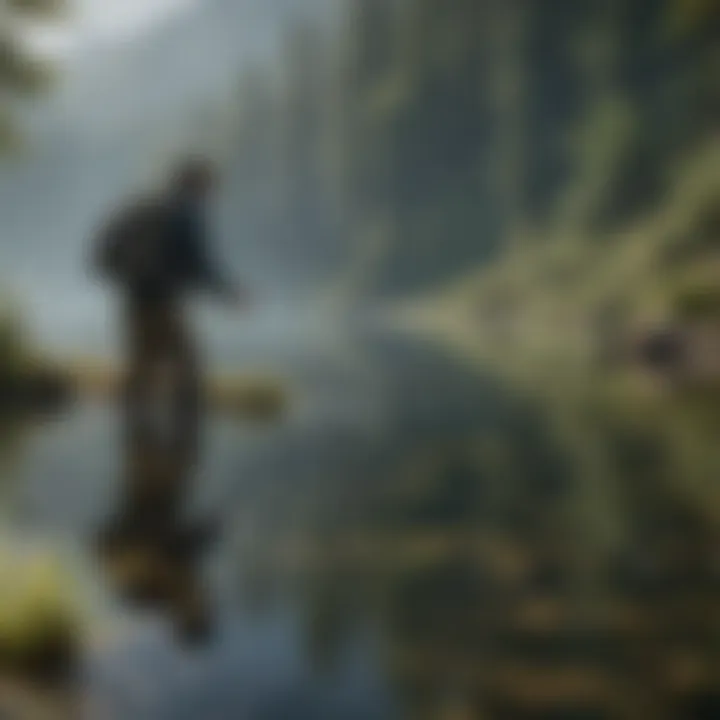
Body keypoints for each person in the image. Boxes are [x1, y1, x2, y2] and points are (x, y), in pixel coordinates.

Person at [93, 158, 244, 455]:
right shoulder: (185, 213)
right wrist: (229, 293)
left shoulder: (155, 208)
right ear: (196, 183)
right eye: (209, 184)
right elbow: (198, 261)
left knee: (142, 366)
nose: (213, 191)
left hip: (135, 297)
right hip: (163, 300)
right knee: (187, 368)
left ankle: (136, 447)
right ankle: (183, 449)